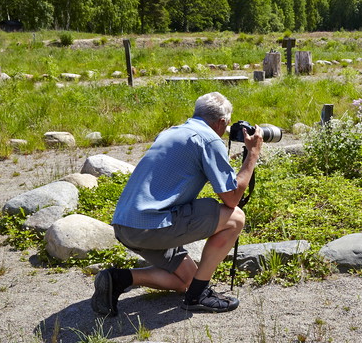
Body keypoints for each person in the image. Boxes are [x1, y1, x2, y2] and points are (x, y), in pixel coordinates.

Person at [91, 91, 263, 315]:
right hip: (150, 226)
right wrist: (252, 155)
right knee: (235, 218)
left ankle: (118, 278)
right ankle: (198, 297)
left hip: (126, 225)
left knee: (188, 280)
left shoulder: (171, 132)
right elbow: (232, 198)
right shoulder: (209, 139)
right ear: (221, 122)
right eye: (227, 125)